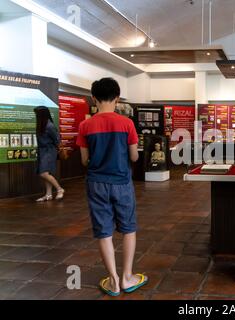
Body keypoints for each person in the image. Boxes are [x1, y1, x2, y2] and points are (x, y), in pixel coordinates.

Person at [76, 78, 147, 297]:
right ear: (117, 98)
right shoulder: (127, 124)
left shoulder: (85, 125)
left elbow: (84, 161)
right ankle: (127, 277)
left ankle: (114, 282)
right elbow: (134, 156)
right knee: (128, 229)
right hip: (122, 183)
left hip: (96, 184)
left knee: (103, 231)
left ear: (94, 98)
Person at [34, 106, 65, 202]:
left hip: (49, 151)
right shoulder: (42, 124)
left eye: (37, 114)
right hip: (43, 151)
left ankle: (60, 189)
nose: (36, 116)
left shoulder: (49, 126)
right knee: (47, 173)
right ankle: (48, 194)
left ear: (41, 115)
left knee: (43, 173)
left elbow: (57, 140)